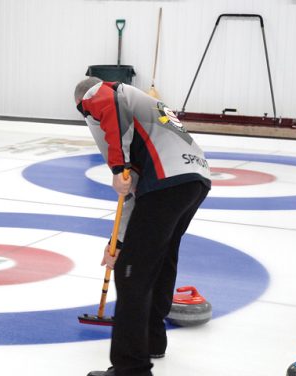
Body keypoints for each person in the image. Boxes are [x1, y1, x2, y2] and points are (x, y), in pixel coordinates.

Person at [74, 77, 211, 376]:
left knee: (131, 276)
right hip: (194, 179)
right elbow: (133, 193)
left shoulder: (103, 93)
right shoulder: (142, 111)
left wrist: (117, 166)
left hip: (168, 179)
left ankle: (130, 368)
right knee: (161, 259)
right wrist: (118, 242)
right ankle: (152, 341)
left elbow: (104, 98)